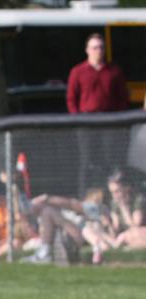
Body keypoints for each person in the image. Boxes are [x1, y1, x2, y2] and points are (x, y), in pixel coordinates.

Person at [66, 33, 130, 194]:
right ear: (87, 50)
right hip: (86, 121)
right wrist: (77, 118)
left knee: (110, 161)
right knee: (86, 161)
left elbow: (123, 97)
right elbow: (71, 98)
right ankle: (83, 198)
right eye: (95, 47)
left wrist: (118, 118)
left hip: (109, 121)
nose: (98, 51)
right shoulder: (78, 71)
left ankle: (110, 196)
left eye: (101, 47)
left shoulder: (114, 72)